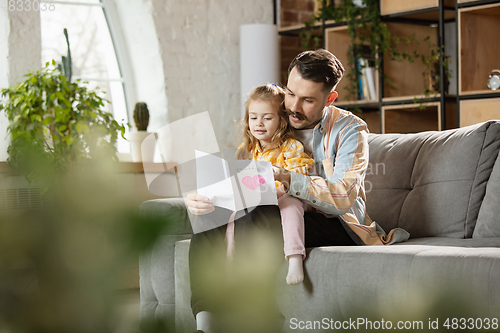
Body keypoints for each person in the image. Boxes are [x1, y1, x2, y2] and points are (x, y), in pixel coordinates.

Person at [186, 49, 409, 333]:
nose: (293, 106)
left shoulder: (350, 130)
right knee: (210, 214)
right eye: (290, 93)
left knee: (259, 214)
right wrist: (203, 196)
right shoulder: (274, 118)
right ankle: (204, 323)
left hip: (335, 222)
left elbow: (344, 195)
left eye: (307, 100)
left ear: (330, 99)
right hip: (278, 208)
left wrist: (287, 178)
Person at [225, 83, 314, 286]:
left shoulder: (290, 146)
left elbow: (299, 177)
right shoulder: (248, 149)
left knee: (289, 205)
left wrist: (276, 189)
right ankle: (229, 266)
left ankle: (294, 258)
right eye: (253, 117)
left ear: (281, 120)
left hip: (292, 197)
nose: (259, 123)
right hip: (261, 201)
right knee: (233, 213)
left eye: (267, 118)